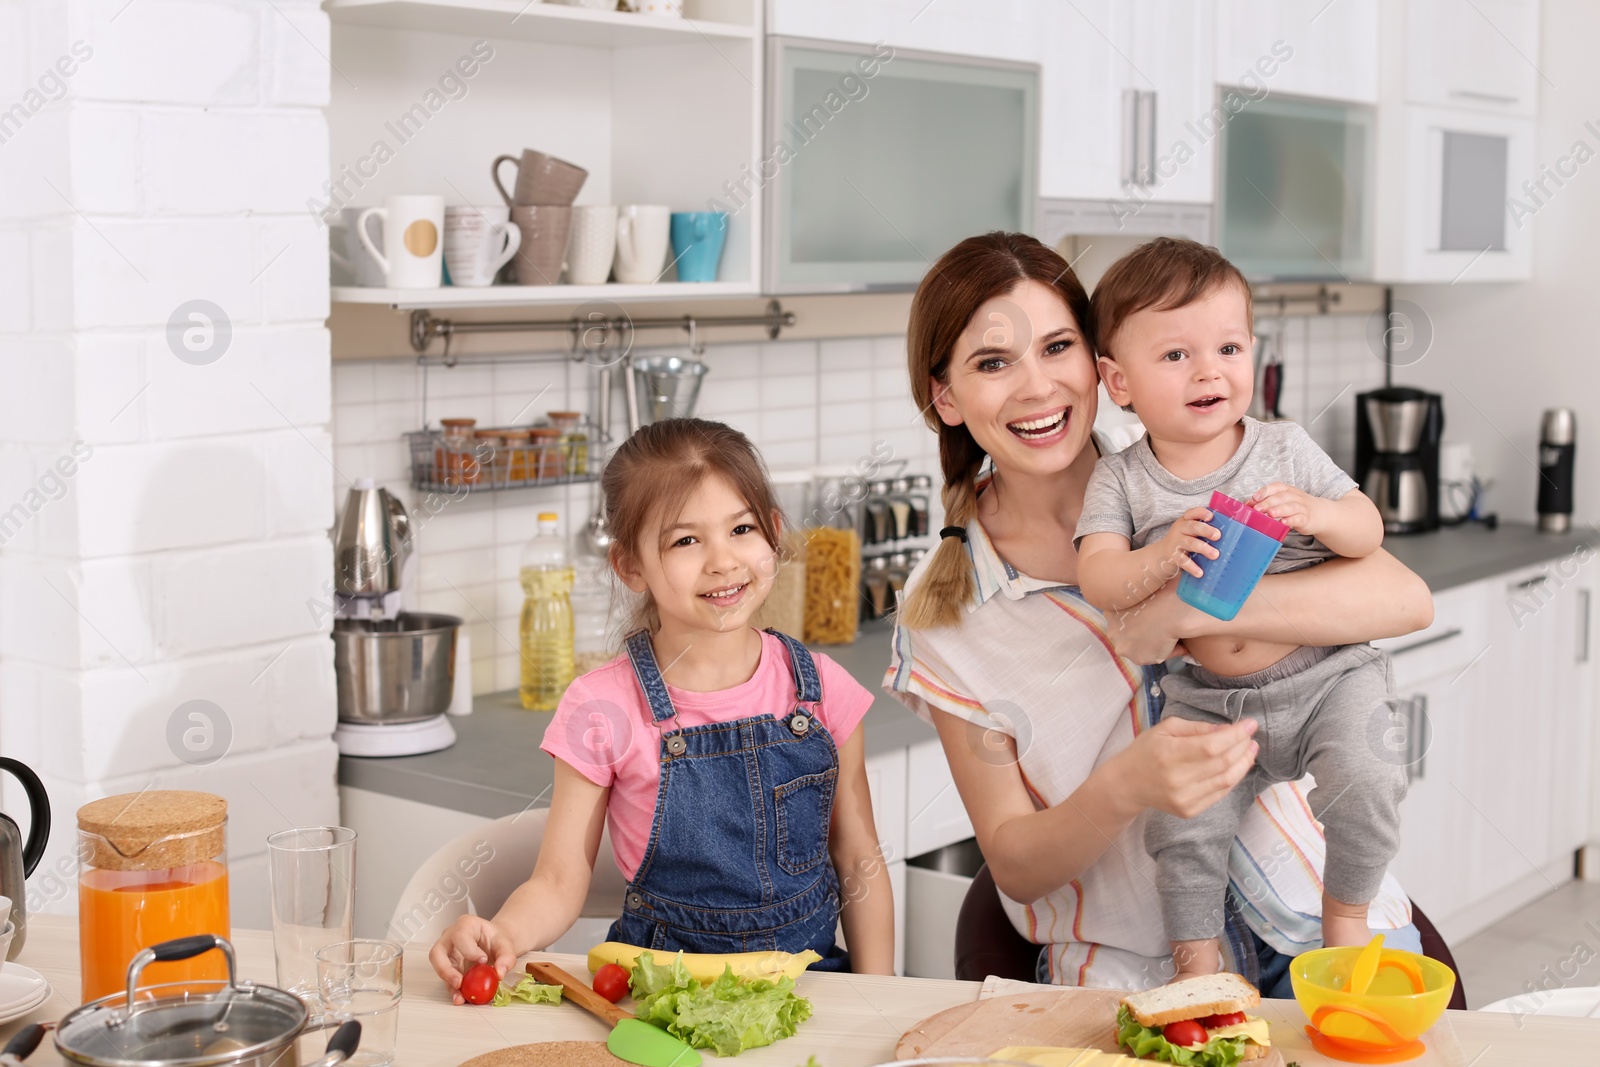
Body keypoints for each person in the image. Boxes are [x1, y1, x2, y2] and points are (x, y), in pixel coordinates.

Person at [887, 231, 1432, 997]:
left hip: (1315, 919)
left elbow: (1405, 597)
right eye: (992, 362)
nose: (1038, 387)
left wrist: (1181, 612)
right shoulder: (943, 616)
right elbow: (1012, 860)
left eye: (1057, 346)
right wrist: (1126, 786)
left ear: (1100, 368)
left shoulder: (1203, 462)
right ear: (946, 396)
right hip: (1138, 973)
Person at [431, 418, 893, 1003]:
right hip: (659, 999)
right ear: (630, 566)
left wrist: (881, 995)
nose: (723, 561)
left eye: (742, 528)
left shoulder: (821, 689)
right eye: (685, 541)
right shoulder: (602, 707)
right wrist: (500, 933)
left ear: (774, 533)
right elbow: (556, 882)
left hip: (810, 994)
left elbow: (858, 859)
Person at [1074, 238, 1406, 982]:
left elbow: (1368, 529)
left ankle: (1345, 911)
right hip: (1211, 699)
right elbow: (1099, 576)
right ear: (1117, 381)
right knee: (1182, 825)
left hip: (1327, 678)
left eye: (1228, 346)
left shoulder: (1285, 447)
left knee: (1370, 776)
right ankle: (1196, 955)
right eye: (1176, 355)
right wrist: (1161, 556)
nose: (1209, 370)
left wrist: (1319, 512)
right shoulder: (1123, 481)